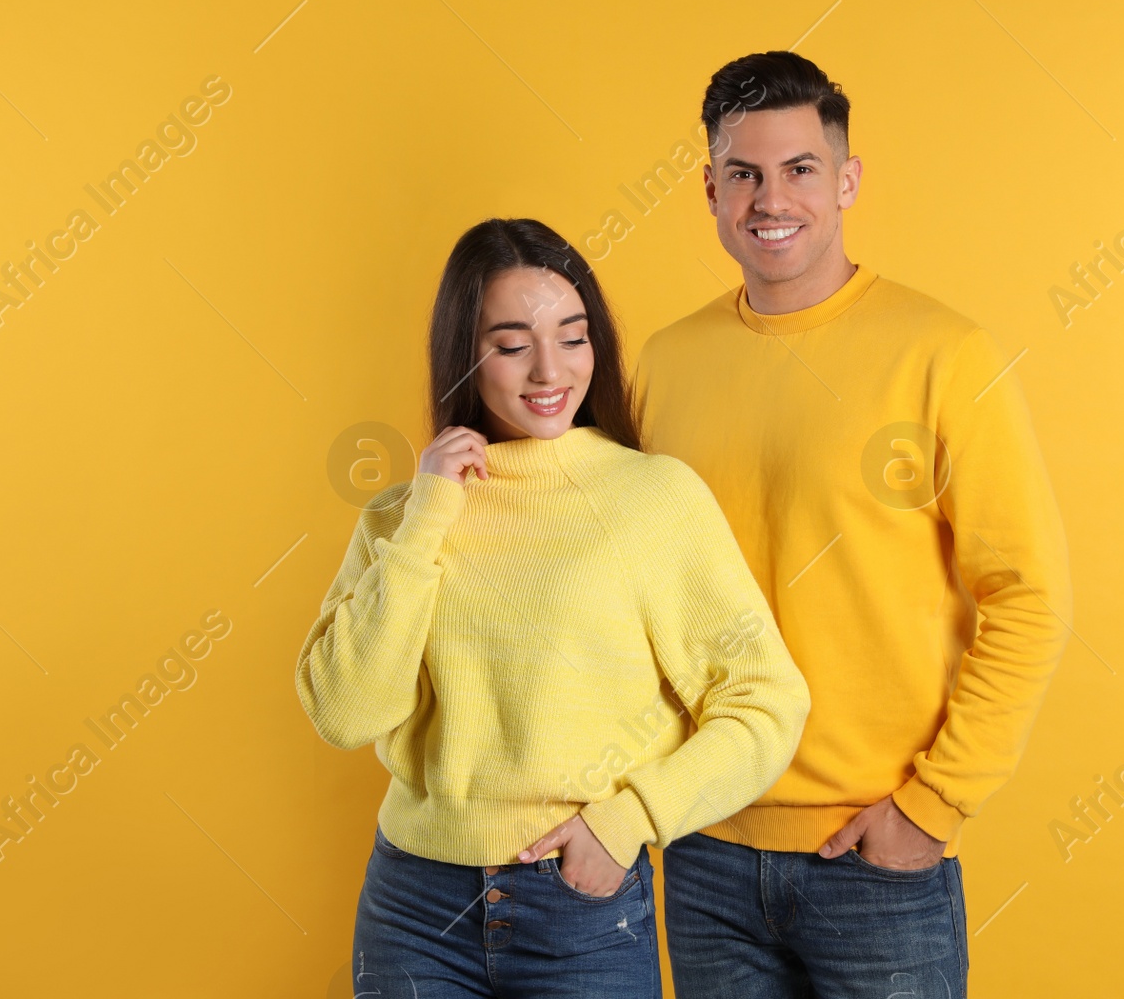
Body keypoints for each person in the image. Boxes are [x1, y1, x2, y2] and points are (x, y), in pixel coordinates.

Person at [638, 52, 1071, 999]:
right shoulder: (665, 363)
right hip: (702, 850)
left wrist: (935, 804)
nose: (770, 198)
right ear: (709, 188)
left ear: (847, 180)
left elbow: (1030, 597)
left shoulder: (944, 353)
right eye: (744, 173)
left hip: (875, 858)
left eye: (799, 168)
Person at [296, 217, 809, 999]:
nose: (548, 370)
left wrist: (629, 819)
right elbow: (346, 710)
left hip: (578, 908)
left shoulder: (651, 497)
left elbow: (767, 700)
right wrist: (427, 515)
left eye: (573, 337)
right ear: (463, 355)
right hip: (413, 908)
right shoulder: (404, 517)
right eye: (510, 344)